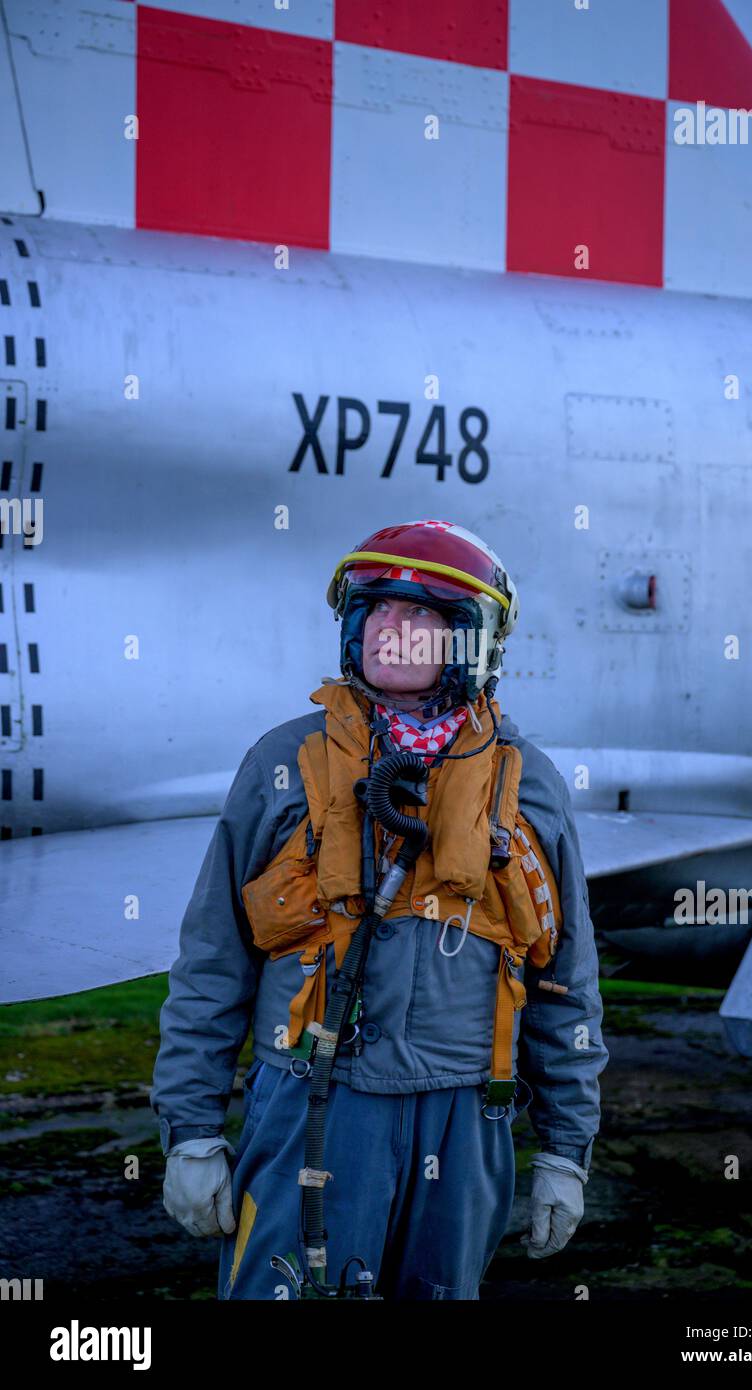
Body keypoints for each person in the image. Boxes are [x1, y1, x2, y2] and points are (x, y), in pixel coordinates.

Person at [152, 518, 609, 1300]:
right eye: (378, 609)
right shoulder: (283, 766)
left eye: (421, 614)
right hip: (312, 1101)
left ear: (474, 641)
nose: (391, 629)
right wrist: (191, 1131)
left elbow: (565, 985)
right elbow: (211, 964)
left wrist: (566, 1149)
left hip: (465, 1123)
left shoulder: (528, 786)